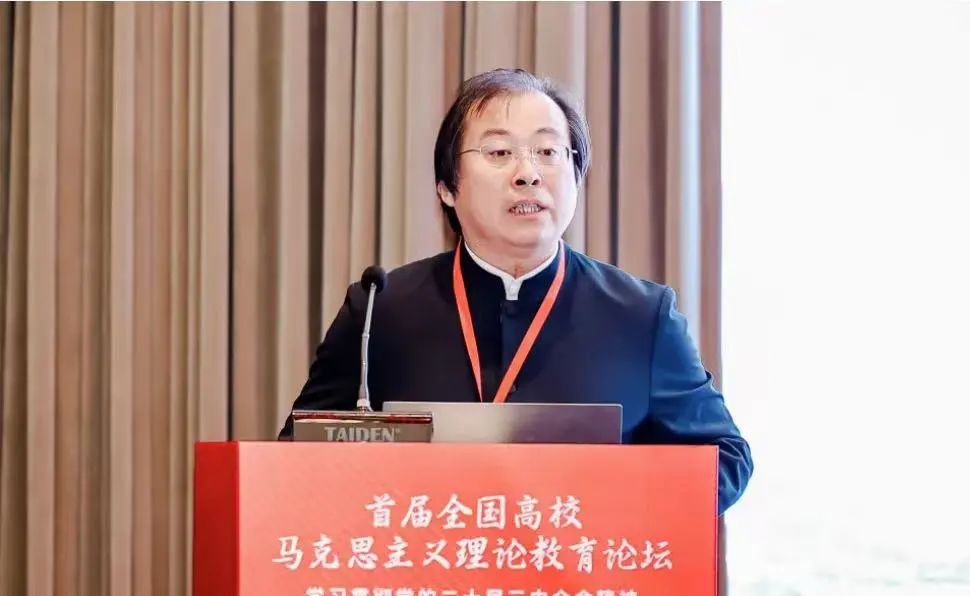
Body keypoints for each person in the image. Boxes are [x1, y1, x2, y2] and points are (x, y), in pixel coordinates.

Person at [279, 69, 752, 513]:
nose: (528, 173)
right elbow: (296, 458)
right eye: (499, 153)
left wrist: (609, 496)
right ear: (446, 187)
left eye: (548, 152)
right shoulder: (380, 310)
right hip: (426, 568)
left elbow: (725, 459)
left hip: (579, 567)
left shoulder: (641, 317)